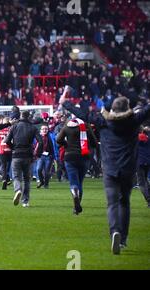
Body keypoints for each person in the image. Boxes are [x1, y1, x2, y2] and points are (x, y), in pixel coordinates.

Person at [60, 89, 150, 255]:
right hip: (128, 169)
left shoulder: (102, 121)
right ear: (128, 108)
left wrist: (64, 102)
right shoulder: (134, 120)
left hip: (110, 169)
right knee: (125, 202)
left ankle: (114, 231)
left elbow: (81, 113)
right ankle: (122, 239)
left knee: (112, 203)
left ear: (112, 110)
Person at [56, 113, 97, 215]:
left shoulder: (67, 126)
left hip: (70, 156)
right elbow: (94, 142)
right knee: (80, 181)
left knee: (74, 182)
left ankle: (74, 193)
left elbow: (58, 140)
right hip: (84, 156)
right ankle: (76, 208)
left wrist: (66, 144)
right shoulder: (86, 126)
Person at [5, 111, 43, 207]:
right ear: (28, 117)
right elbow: (41, 142)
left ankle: (18, 190)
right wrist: (37, 153)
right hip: (28, 156)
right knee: (27, 179)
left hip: (16, 155)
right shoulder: (33, 127)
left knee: (17, 177)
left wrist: (13, 147)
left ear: (20, 116)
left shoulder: (14, 127)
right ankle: (25, 201)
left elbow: (7, 141)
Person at [35, 125, 55, 189]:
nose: (44, 130)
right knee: (38, 169)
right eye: (43, 129)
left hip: (49, 156)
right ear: (40, 130)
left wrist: (53, 156)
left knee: (47, 171)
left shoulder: (51, 136)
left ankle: (46, 184)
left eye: (46, 129)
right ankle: (41, 181)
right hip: (40, 156)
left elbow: (54, 146)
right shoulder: (38, 137)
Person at [137, 126, 150, 207]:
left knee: (141, 183)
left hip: (139, 162)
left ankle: (148, 199)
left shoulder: (136, 138)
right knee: (145, 180)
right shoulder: (148, 138)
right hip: (148, 161)